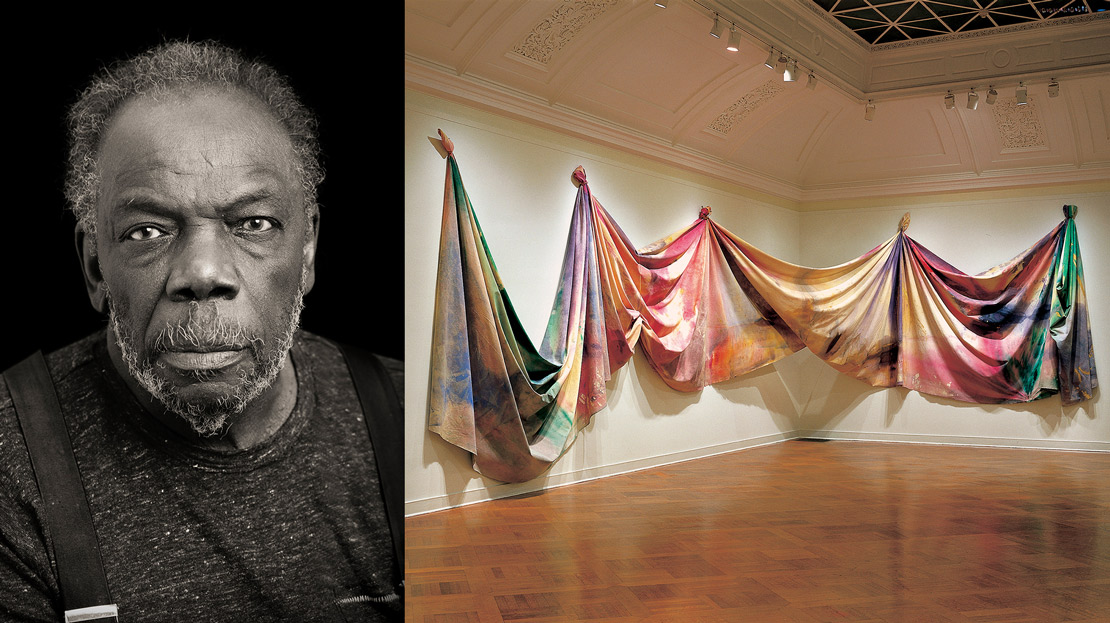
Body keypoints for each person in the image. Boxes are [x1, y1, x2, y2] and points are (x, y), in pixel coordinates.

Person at [0, 40, 402, 622]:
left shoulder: (404, 414)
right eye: (147, 231)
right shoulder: (11, 461)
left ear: (307, 250)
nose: (203, 274)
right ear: (94, 267)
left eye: (254, 223)